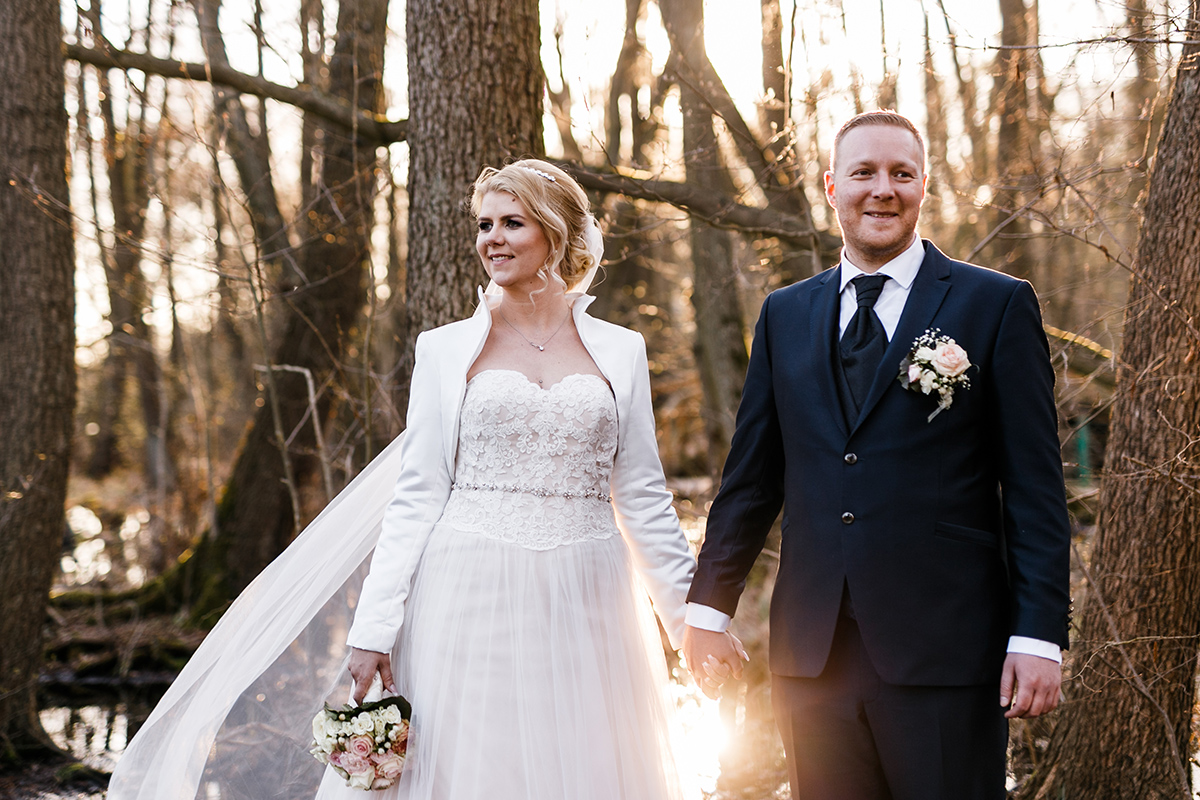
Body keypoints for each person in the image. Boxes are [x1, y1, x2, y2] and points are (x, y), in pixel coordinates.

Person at [108, 159, 732, 800]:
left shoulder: (621, 349)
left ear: (557, 231)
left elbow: (643, 496)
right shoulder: (446, 349)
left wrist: (692, 622)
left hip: (591, 594)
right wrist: (373, 630)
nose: (492, 238)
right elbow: (417, 493)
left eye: (512, 223)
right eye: (484, 224)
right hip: (467, 590)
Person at [681, 111, 1071, 799]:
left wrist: (1038, 635)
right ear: (832, 185)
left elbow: (1035, 488)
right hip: (812, 656)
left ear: (925, 185)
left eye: (901, 173)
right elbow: (750, 483)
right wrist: (708, 611)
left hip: (946, 649)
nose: (881, 190)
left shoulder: (996, 305)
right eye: (863, 173)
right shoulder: (784, 315)